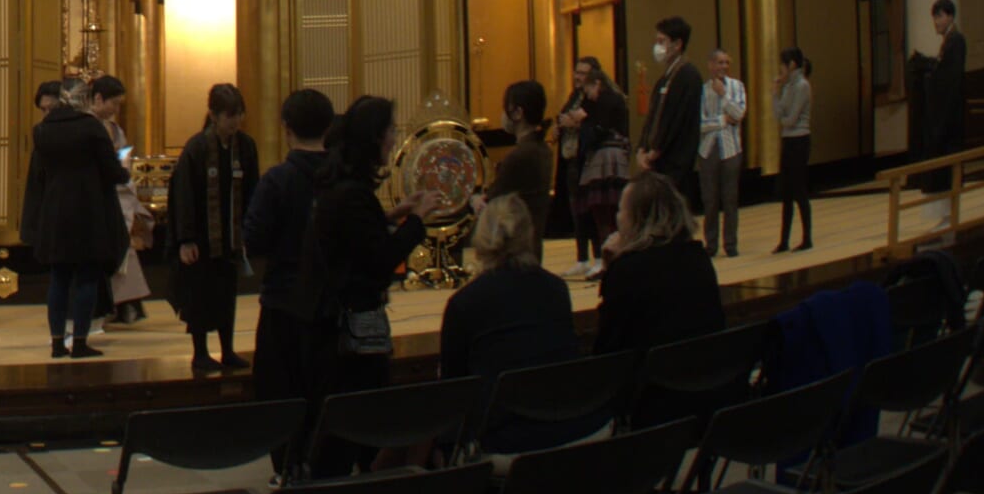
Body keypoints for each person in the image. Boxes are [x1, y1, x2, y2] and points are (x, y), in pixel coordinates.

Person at [289, 95, 429, 459]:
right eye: (391, 132)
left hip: (325, 325)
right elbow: (380, 261)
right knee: (356, 427)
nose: (394, 139)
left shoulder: (340, 188)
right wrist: (417, 222)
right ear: (374, 138)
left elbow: (355, 235)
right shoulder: (353, 194)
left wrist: (393, 214)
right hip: (347, 336)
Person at [439, 194, 578, 449]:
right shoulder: (557, 289)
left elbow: (453, 386)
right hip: (567, 425)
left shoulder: (466, 302)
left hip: (505, 438)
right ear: (529, 233)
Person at [22, 74, 131, 359]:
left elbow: (40, 175)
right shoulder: (91, 128)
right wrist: (124, 167)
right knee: (86, 278)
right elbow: (112, 171)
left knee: (58, 278)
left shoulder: (43, 130)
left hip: (54, 211)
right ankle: (80, 341)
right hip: (88, 210)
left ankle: (57, 341)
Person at [243, 87, 334, 408]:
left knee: (280, 401)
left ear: (287, 128)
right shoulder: (344, 179)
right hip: (336, 305)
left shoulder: (277, 181)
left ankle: (290, 459)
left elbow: (253, 239)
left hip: (284, 303)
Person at [171, 82, 258, 376]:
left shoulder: (245, 146)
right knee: (200, 296)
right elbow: (183, 196)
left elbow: (252, 190)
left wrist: (249, 231)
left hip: (231, 238)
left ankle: (228, 349)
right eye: (229, 115)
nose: (235, 121)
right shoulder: (196, 148)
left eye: (238, 114)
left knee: (226, 294)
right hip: (202, 240)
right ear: (213, 114)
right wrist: (186, 239)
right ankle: (200, 352)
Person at [592, 171, 725, 358]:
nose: (617, 218)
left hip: (654, 380)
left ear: (637, 219)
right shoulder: (698, 257)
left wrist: (610, 269)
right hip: (706, 373)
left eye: (620, 210)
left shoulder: (627, 271)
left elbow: (607, 349)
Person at [93, 76, 153, 328]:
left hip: (117, 194)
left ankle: (124, 305)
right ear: (97, 98)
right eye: (113, 104)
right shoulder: (86, 126)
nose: (116, 110)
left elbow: (124, 161)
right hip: (95, 198)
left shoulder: (116, 131)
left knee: (123, 252)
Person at [566, 57, 630, 279]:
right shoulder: (598, 100)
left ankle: (608, 258)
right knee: (601, 210)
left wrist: (582, 123)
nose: (588, 96)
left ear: (596, 84)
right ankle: (605, 258)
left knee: (605, 210)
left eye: (589, 89)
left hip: (607, 159)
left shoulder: (607, 100)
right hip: (604, 158)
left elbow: (597, 129)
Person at [637, 15, 703, 192]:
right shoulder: (664, 79)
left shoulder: (688, 76)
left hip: (675, 162)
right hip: (657, 161)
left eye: (662, 41)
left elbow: (676, 120)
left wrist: (656, 150)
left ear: (677, 44)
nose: (657, 47)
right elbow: (652, 117)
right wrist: (642, 148)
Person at [697, 48, 746, 258]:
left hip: (731, 148)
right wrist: (722, 121)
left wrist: (724, 95)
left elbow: (739, 114)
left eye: (727, 62)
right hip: (708, 150)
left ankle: (731, 244)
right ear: (710, 65)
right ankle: (711, 244)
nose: (724, 67)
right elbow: (699, 124)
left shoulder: (737, 87)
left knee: (730, 199)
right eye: (719, 62)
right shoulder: (702, 90)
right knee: (710, 200)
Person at [486, 80, 553, 224]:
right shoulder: (543, 149)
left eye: (505, 109)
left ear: (518, 113)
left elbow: (492, 199)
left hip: (517, 240)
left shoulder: (520, 156)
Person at [922, 0, 967, 207]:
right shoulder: (948, 42)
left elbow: (952, 80)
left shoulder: (956, 41)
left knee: (950, 165)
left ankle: (951, 212)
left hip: (951, 116)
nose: (936, 22)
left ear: (949, 16)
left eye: (939, 16)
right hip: (946, 115)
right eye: (935, 18)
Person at [773, 49, 813, 254]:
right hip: (788, 140)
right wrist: (776, 91)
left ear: (792, 65)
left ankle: (807, 238)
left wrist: (782, 118)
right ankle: (784, 241)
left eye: (783, 64)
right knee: (786, 193)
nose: (780, 69)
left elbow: (790, 119)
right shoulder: (788, 86)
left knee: (799, 189)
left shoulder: (802, 85)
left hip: (799, 140)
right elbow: (778, 113)